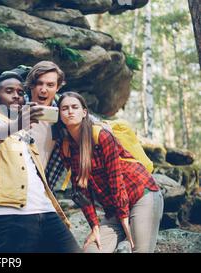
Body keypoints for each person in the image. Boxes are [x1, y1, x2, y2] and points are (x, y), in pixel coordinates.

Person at [0, 70, 81, 253]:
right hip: (8, 214)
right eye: (9, 91)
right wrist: (18, 124)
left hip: (45, 210)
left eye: (20, 92)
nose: (16, 96)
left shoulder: (25, 128)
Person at [56, 91, 164, 253]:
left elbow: (116, 179)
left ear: (84, 112)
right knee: (91, 250)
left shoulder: (101, 135)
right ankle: (124, 242)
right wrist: (94, 226)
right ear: (59, 114)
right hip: (114, 208)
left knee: (140, 250)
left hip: (141, 195)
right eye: (64, 108)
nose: (70, 111)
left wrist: (124, 219)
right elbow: (81, 190)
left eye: (74, 107)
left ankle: (127, 243)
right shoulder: (66, 148)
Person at [25, 61, 68, 190]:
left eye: (50, 85)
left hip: (40, 187)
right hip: (10, 184)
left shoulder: (62, 114)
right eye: (39, 83)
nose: (43, 90)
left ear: (58, 87)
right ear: (31, 85)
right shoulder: (14, 109)